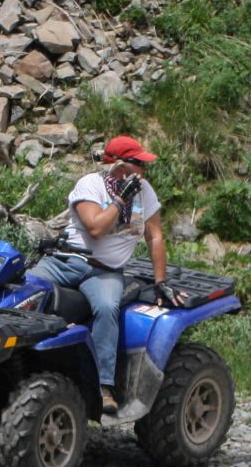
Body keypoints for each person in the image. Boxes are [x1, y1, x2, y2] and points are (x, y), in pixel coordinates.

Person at [29, 135, 177, 413]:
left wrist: (161, 281)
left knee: (108, 307)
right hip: (66, 261)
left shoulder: (145, 192)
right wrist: (120, 200)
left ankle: (103, 385)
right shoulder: (90, 185)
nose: (144, 172)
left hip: (105, 271)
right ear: (122, 168)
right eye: (139, 166)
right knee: (27, 290)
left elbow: (155, 236)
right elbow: (96, 228)